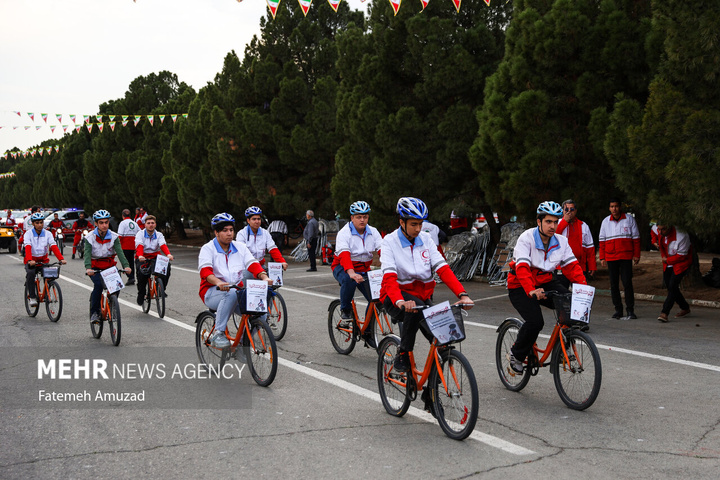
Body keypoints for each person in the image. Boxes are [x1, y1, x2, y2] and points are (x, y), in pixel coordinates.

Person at [380, 197, 474, 374]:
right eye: (413, 224)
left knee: (441, 340)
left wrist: (462, 293)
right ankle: (403, 354)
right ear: (402, 222)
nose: (418, 229)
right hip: (396, 297)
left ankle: (431, 393)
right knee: (413, 309)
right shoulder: (389, 242)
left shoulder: (426, 239)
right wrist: (400, 301)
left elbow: (443, 268)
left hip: (423, 297)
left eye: (420, 224)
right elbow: (389, 278)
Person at [506, 201, 587, 373]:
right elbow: (522, 268)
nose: (553, 226)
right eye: (548, 222)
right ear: (539, 222)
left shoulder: (561, 241)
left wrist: (584, 290)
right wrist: (531, 290)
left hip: (544, 281)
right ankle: (517, 355)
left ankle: (561, 349)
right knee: (535, 321)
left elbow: (572, 267)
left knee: (570, 306)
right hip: (520, 285)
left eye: (555, 222)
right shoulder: (526, 238)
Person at [198, 213, 272, 348]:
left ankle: (243, 344)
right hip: (212, 292)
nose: (229, 234)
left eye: (231, 230)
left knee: (261, 314)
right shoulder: (208, 248)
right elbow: (205, 271)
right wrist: (218, 282)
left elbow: (252, 263)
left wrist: (264, 276)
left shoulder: (240, 247)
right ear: (216, 232)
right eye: (225, 230)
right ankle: (219, 333)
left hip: (237, 293)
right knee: (231, 293)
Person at [331, 201, 381, 345]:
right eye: (358, 217)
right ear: (352, 218)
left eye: (365, 217)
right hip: (342, 266)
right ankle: (345, 310)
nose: (362, 220)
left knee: (376, 298)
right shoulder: (344, 233)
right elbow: (345, 255)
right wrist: (351, 273)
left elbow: (383, 251)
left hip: (364, 268)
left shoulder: (373, 232)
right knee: (349, 279)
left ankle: (368, 332)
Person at [84, 210, 131, 324]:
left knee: (116, 286)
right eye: (101, 223)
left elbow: (120, 253)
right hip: (95, 267)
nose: (104, 225)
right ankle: (94, 312)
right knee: (99, 285)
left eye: (106, 222)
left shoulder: (114, 237)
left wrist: (126, 266)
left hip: (109, 266)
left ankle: (113, 304)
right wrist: (88, 268)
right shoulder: (90, 237)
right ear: (96, 224)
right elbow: (87, 254)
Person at [599, 198, 641, 319]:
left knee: (627, 283)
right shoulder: (605, 222)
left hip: (626, 256)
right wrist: (602, 257)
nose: (614, 209)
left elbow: (636, 239)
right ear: (609, 208)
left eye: (616, 206)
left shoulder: (629, 219)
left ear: (620, 207)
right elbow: (602, 241)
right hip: (611, 257)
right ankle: (618, 309)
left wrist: (637, 254)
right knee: (614, 284)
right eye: (612, 206)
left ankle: (630, 310)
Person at [23, 212, 66, 307]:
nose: (39, 225)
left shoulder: (48, 234)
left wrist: (61, 259)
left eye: (41, 222)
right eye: (37, 223)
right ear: (33, 224)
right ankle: (33, 297)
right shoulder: (28, 234)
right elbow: (28, 247)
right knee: (30, 274)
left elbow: (54, 246)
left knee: (50, 276)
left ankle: (47, 291)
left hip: (43, 261)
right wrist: (30, 260)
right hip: (31, 261)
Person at [236, 206, 288, 285]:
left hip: (261, 265)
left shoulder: (265, 233)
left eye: (259, 219)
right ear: (248, 221)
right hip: (246, 266)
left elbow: (272, 248)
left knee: (271, 285)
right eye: (254, 219)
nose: (257, 221)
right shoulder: (241, 234)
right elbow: (242, 253)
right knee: (244, 289)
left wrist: (282, 261)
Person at [135, 215, 174, 305]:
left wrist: (168, 254)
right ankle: (141, 293)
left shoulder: (159, 235)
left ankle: (161, 289)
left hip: (155, 257)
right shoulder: (140, 234)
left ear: (155, 224)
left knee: (167, 267)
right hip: (142, 258)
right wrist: (140, 256)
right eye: (148, 223)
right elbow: (139, 245)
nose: (150, 225)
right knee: (141, 275)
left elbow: (163, 245)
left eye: (152, 223)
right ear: (145, 225)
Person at [656, 225, 692, 322]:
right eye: (658, 229)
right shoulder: (660, 233)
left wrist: (667, 260)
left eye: (663, 229)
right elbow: (661, 246)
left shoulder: (681, 235)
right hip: (668, 262)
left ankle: (665, 312)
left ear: (669, 227)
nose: (660, 232)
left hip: (681, 263)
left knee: (672, 286)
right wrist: (664, 258)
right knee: (671, 286)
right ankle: (684, 307)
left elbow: (682, 256)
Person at [556, 199, 596, 282]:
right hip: (562, 266)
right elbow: (553, 237)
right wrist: (565, 221)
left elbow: (590, 247)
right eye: (566, 209)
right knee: (562, 293)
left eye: (572, 209)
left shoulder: (583, 225)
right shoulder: (557, 223)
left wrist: (592, 265)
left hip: (579, 266)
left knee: (579, 293)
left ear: (576, 211)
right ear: (562, 211)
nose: (569, 212)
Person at [117, 209, 139, 285]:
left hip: (125, 245)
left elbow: (120, 235)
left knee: (125, 262)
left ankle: (130, 276)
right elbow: (139, 233)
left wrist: (116, 246)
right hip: (132, 245)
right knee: (131, 262)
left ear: (123, 216)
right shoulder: (134, 223)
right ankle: (132, 276)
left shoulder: (122, 223)